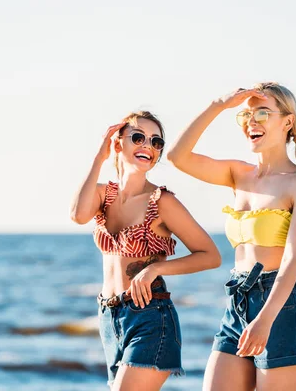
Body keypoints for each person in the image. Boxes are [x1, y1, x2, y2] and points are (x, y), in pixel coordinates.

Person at [167, 83, 296, 391]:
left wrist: (265, 319)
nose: (252, 121)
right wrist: (218, 105)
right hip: (237, 302)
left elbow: (292, 260)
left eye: (263, 112)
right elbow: (178, 156)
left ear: (287, 122)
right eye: (246, 114)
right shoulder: (238, 174)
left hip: (280, 307)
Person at [70, 110, 221, 390]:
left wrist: (156, 268)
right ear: (118, 144)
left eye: (156, 142)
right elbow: (79, 215)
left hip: (150, 317)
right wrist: (98, 158)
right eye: (138, 137)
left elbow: (211, 255)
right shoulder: (104, 194)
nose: (147, 147)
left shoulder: (162, 201)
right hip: (109, 318)